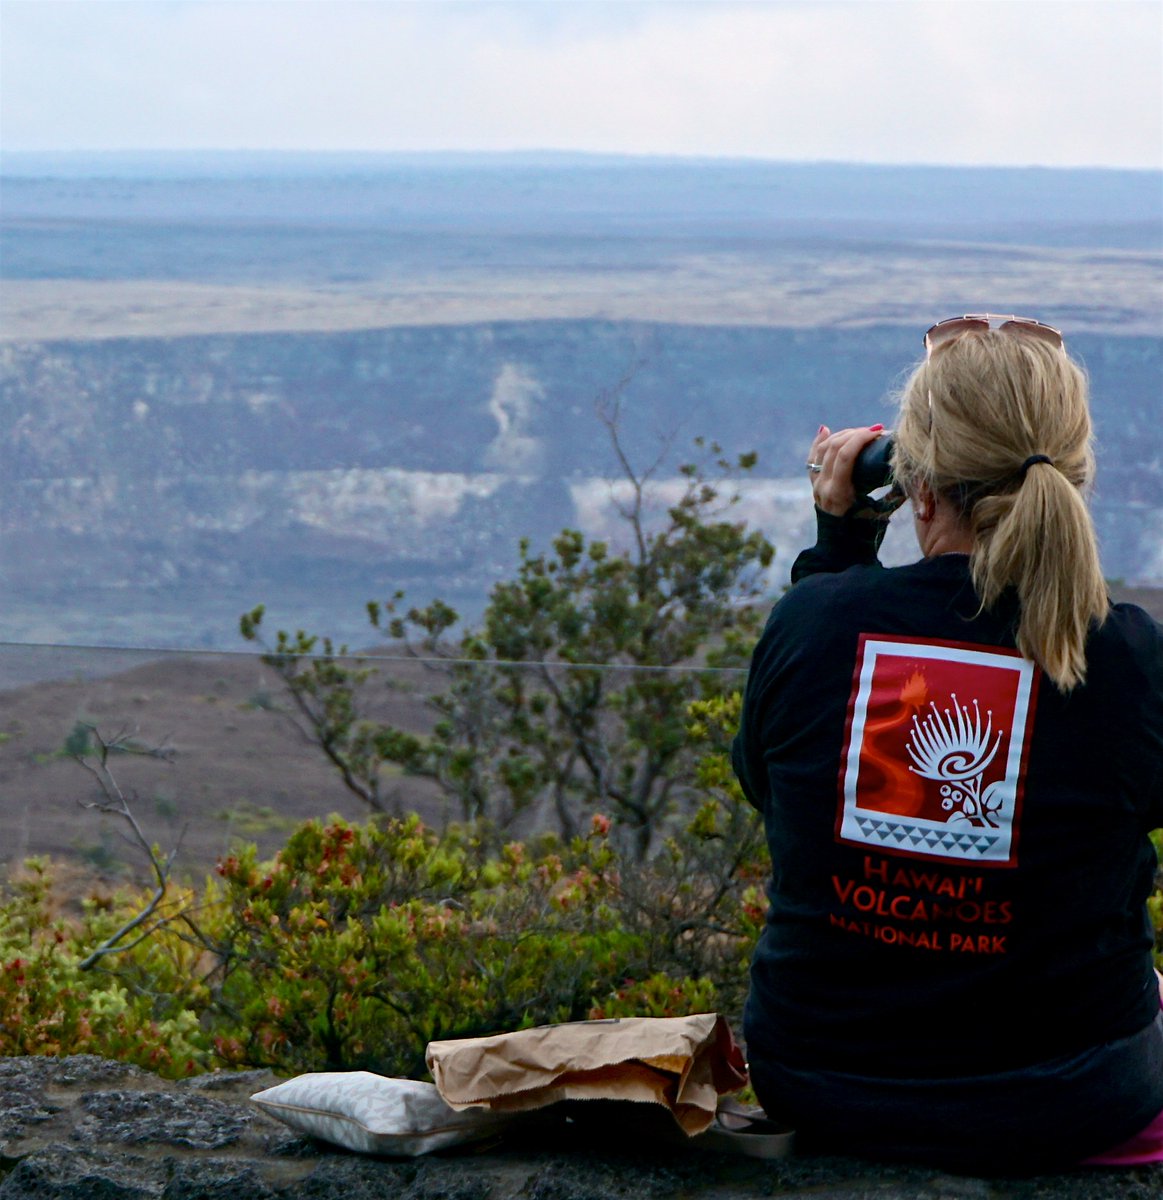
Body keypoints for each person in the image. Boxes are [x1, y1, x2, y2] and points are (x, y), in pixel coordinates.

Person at [732, 315, 1163, 1174]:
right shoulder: (1124, 657)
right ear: (1070, 480)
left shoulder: (817, 624)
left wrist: (841, 544)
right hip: (1071, 1096)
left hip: (821, 1079)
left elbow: (769, 789)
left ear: (914, 486)